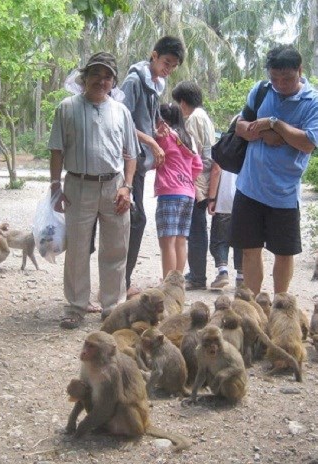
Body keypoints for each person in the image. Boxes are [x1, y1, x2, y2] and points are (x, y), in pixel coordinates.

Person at [48, 52, 140, 329]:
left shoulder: (121, 111)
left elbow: (131, 155)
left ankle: (112, 308)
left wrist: (127, 187)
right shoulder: (66, 108)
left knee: (115, 249)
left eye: (107, 76)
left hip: (114, 188)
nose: (101, 80)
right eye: (96, 74)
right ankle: (75, 306)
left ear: (113, 82)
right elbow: (56, 150)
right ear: (84, 77)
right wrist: (55, 187)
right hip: (77, 185)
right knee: (76, 248)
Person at [231, 44, 318, 296]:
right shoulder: (261, 91)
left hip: (284, 193)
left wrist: (275, 124)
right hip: (249, 187)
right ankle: (252, 308)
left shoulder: (315, 102)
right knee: (250, 250)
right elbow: (240, 127)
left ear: (300, 71)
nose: (281, 84)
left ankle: (280, 305)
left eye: (287, 78)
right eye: (275, 78)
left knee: (283, 253)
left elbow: (308, 143)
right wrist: (264, 133)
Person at [120, 36, 186, 297]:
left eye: (173, 67)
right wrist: (150, 140)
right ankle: (121, 282)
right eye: (166, 63)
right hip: (128, 161)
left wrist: (160, 127)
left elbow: (150, 116)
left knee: (133, 220)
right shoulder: (134, 81)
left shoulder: (157, 84)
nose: (168, 70)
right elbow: (121, 121)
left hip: (140, 163)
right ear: (154, 55)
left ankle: (121, 281)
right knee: (136, 220)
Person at [171, 81, 216, 291]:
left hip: (197, 181)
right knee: (196, 229)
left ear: (182, 102)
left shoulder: (194, 119)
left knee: (196, 230)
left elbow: (195, 154)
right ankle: (196, 273)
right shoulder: (202, 116)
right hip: (202, 179)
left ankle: (198, 276)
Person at [154, 103, 203, 278]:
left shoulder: (165, 137)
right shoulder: (187, 138)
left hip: (169, 192)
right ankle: (177, 282)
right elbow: (198, 165)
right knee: (181, 240)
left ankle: (168, 283)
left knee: (167, 242)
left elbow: (153, 160)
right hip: (187, 193)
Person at [207, 167, 243, 289]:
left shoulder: (224, 147)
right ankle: (241, 276)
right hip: (244, 197)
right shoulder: (249, 147)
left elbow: (216, 170)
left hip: (224, 197)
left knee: (220, 239)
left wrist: (211, 198)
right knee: (241, 239)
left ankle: (223, 272)